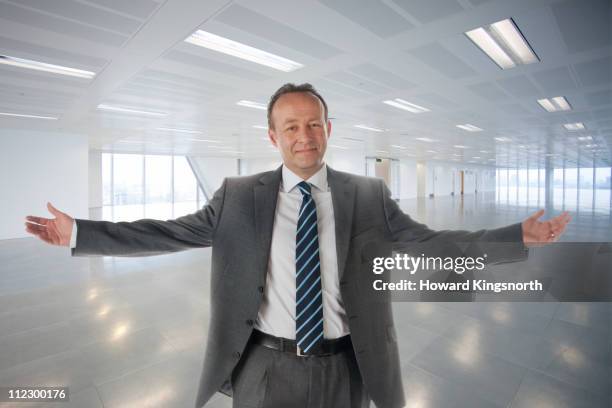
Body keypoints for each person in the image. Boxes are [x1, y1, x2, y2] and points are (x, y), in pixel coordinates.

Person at [25, 83, 571, 408]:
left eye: (313, 124)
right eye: (290, 127)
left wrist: (513, 238)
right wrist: (79, 231)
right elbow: (168, 231)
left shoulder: (368, 194)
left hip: (347, 365)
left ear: (329, 129)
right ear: (273, 136)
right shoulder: (239, 196)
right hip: (262, 366)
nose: (303, 136)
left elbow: (428, 242)